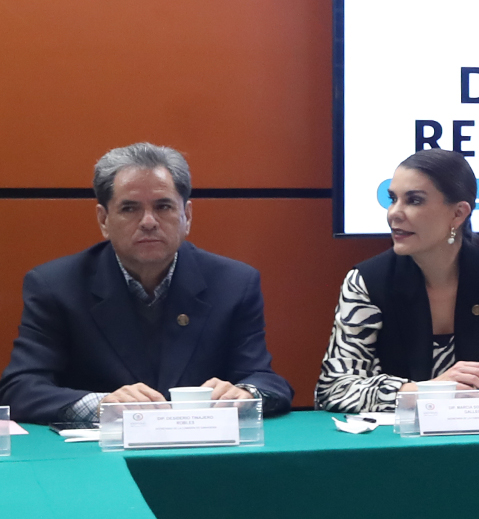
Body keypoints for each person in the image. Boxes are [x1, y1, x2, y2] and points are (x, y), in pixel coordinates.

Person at [0, 143, 292, 426]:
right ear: (104, 220)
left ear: (187, 216)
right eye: (130, 208)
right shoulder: (56, 286)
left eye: (163, 206)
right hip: (99, 451)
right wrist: (101, 405)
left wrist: (246, 394)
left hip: (202, 448)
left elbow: (265, 380)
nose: (148, 222)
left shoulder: (234, 283)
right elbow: (20, 388)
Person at [316, 151, 479, 413]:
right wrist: (430, 392)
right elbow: (334, 388)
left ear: (458, 213)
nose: (394, 213)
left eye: (414, 200)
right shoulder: (367, 281)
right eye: (392, 199)